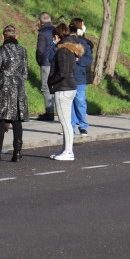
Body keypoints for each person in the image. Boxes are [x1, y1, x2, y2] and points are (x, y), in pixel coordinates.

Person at [0, 25, 29, 161]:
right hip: (18, 88)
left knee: (0, 119)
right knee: (16, 120)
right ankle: (17, 152)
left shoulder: (2, 50)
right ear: (16, 37)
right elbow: (25, 73)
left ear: (3, 36)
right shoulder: (23, 51)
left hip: (3, 88)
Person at [47, 23, 83, 160]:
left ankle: (68, 151)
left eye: (54, 37)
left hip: (63, 87)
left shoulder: (62, 51)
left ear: (57, 36)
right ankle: (65, 149)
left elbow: (62, 72)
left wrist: (51, 81)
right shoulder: (70, 49)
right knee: (66, 121)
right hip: (70, 86)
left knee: (65, 121)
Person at [70, 18, 92, 135]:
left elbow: (89, 59)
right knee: (70, 104)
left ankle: (82, 125)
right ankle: (71, 127)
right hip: (68, 77)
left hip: (79, 78)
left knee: (80, 101)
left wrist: (78, 60)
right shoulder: (65, 44)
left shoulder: (82, 44)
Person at [35, 13, 57, 122]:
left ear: (40, 22)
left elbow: (41, 50)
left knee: (45, 87)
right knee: (54, 87)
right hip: (56, 61)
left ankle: (49, 112)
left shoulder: (42, 33)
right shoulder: (56, 30)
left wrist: (40, 61)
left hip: (46, 62)